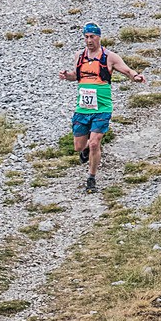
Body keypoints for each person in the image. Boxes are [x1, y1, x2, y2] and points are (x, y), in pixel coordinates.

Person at [59, 21, 146, 193]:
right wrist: (67, 75)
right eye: (86, 37)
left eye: (92, 37)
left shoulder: (109, 57)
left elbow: (127, 70)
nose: (89, 40)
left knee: (94, 143)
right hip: (82, 109)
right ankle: (88, 151)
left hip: (102, 108)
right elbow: (77, 76)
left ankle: (91, 178)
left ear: (99, 37)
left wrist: (136, 77)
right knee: (79, 146)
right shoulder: (79, 56)